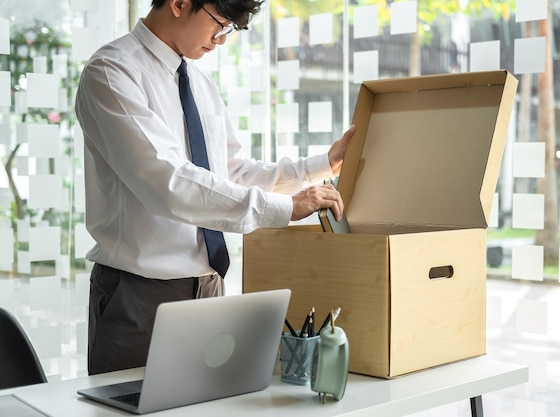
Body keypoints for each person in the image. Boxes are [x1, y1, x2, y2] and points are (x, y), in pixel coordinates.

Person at [75, 0, 356, 375]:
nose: (221, 40)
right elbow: (170, 183)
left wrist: (321, 165)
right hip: (139, 296)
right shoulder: (111, 73)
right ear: (179, 4)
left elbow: (233, 173)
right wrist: (286, 209)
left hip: (209, 287)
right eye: (220, 24)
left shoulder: (199, 83)